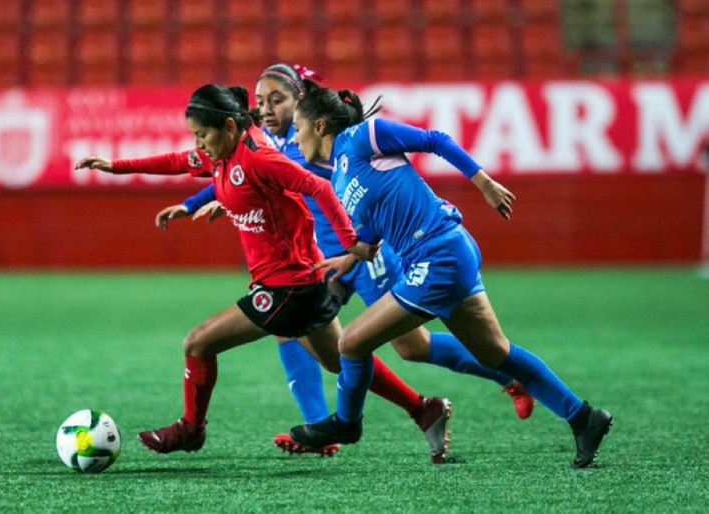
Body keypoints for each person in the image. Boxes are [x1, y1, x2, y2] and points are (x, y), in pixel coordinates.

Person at [75, 84, 452, 463]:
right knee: (339, 361)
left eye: (202, 135)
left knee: (198, 343)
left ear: (227, 126)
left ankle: (191, 429)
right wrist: (116, 167)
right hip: (303, 279)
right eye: (195, 136)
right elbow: (178, 161)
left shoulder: (259, 158)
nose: (199, 144)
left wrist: (350, 240)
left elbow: (318, 186)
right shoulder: (222, 154)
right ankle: (422, 409)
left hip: (286, 285)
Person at [185, 64, 534, 457]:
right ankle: (319, 428)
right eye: (261, 101)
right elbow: (229, 173)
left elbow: (354, 176)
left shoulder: (315, 143)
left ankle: (507, 375)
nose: (265, 109)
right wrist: (199, 201)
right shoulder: (268, 143)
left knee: (410, 347)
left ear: (301, 104)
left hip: (364, 253)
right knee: (290, 324)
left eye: (277, 101)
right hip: (324, 260)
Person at [287, 87, 614, 469]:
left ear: (320, 125)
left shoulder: (365, 136)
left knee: (352, 343)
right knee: (496, 354)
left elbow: (434, 140)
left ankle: (346, 424)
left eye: (297, 127)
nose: (295, 137)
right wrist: (349, 258)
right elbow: (375, 228)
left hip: (437, 254)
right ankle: (584, 418)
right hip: (443, 254)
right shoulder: (340, 179)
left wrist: (484, 183)